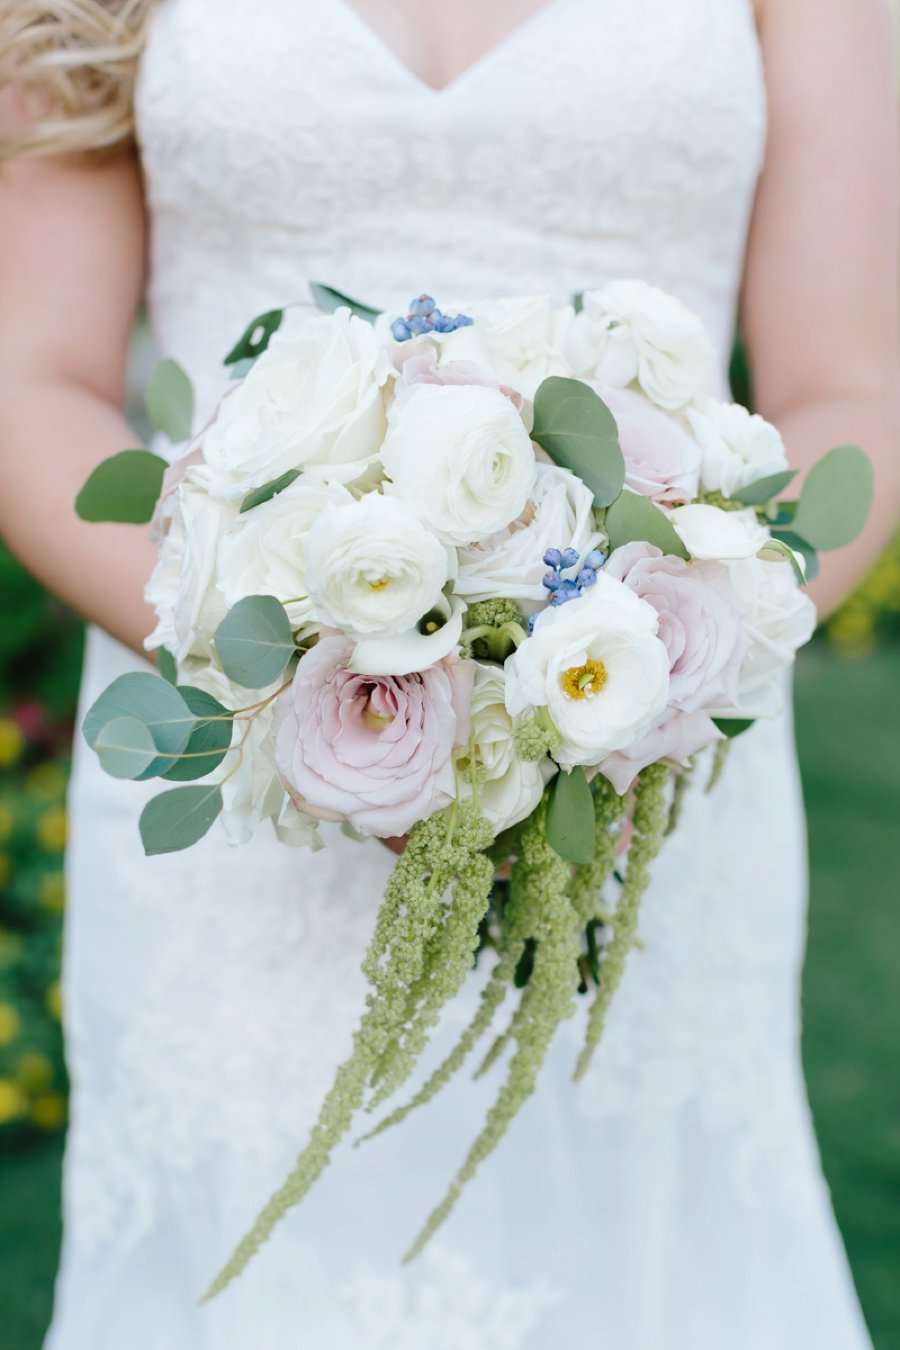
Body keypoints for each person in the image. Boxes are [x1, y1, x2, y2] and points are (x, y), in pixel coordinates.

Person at [1, 2, 899, 1346]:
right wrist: (288, 652)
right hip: (237, 813)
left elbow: (849, 393)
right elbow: (29, 379)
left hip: (641, 768)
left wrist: (650, 656)